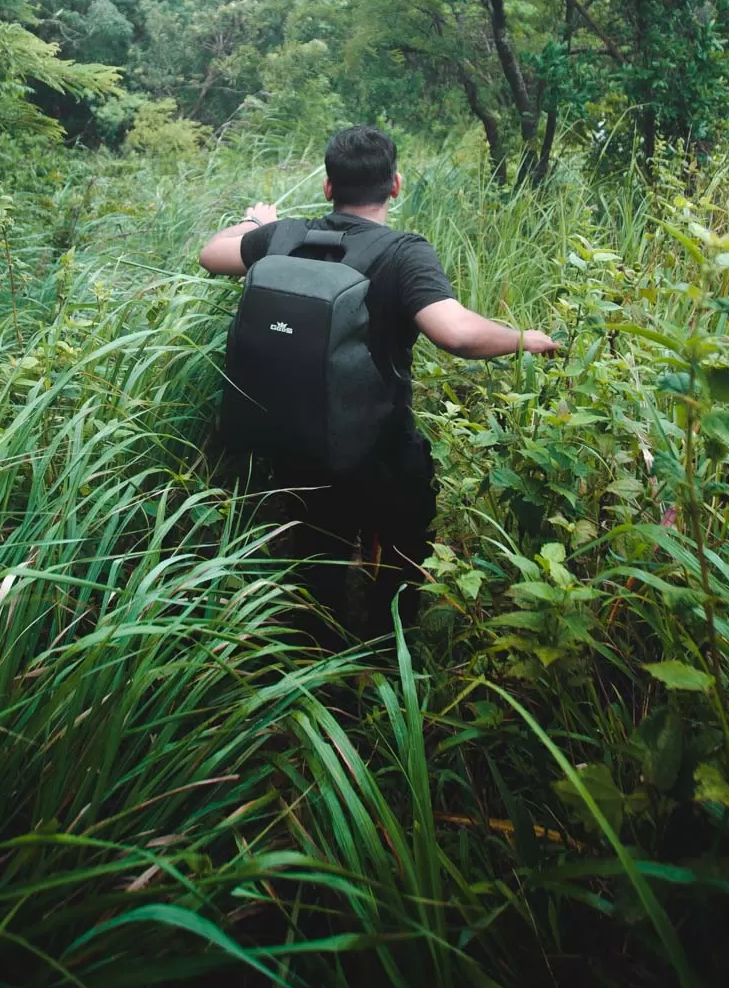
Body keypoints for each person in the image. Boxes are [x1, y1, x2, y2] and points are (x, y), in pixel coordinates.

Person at [198, 125, 557, 636]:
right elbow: (454, 334)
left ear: (328, 187)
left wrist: (253, 220)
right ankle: (388, 658)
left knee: (314, 577)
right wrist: (526, 337)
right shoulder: (403, 253)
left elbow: (211, 254)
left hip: (296, 448)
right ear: (395, 185)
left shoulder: (284, 236)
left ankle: (318, 670)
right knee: (398, 575)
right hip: (379, 457)